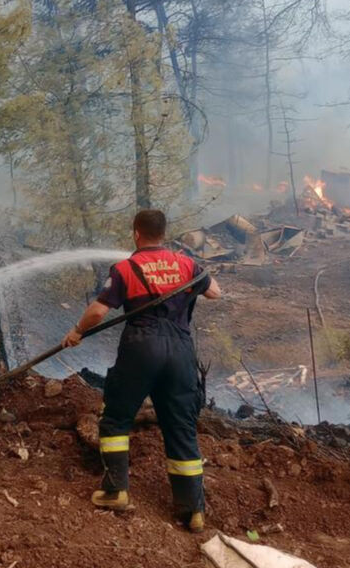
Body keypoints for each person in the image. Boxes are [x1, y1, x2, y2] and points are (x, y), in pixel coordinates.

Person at [62, 209, 221, 533]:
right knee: (180, 425)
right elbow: (215, 292)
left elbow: (98, 310)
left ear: (137, 233)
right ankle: (192, 510)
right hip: (180, 350)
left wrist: (77, 331)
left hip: (140, 347)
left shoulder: (126, 268)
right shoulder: (186, 264)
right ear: (164, 233)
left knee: (117, 417)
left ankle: (115, 491)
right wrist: (193, 275)